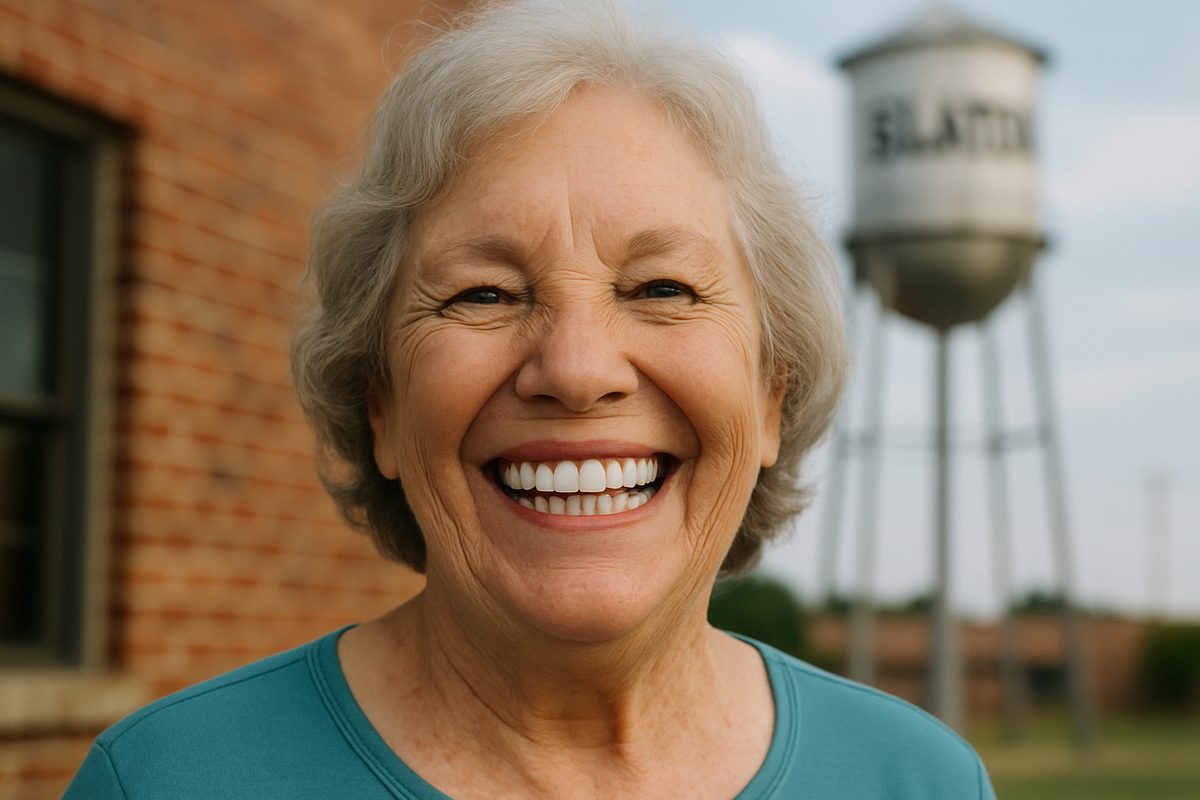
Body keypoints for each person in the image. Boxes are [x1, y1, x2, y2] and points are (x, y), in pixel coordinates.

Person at [66, 2, 995, 797]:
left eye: (661, 288)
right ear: (380, 403)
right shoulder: (165, 780)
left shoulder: (918, 781)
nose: (578, 368)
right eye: (485, 294)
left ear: (771, 400)